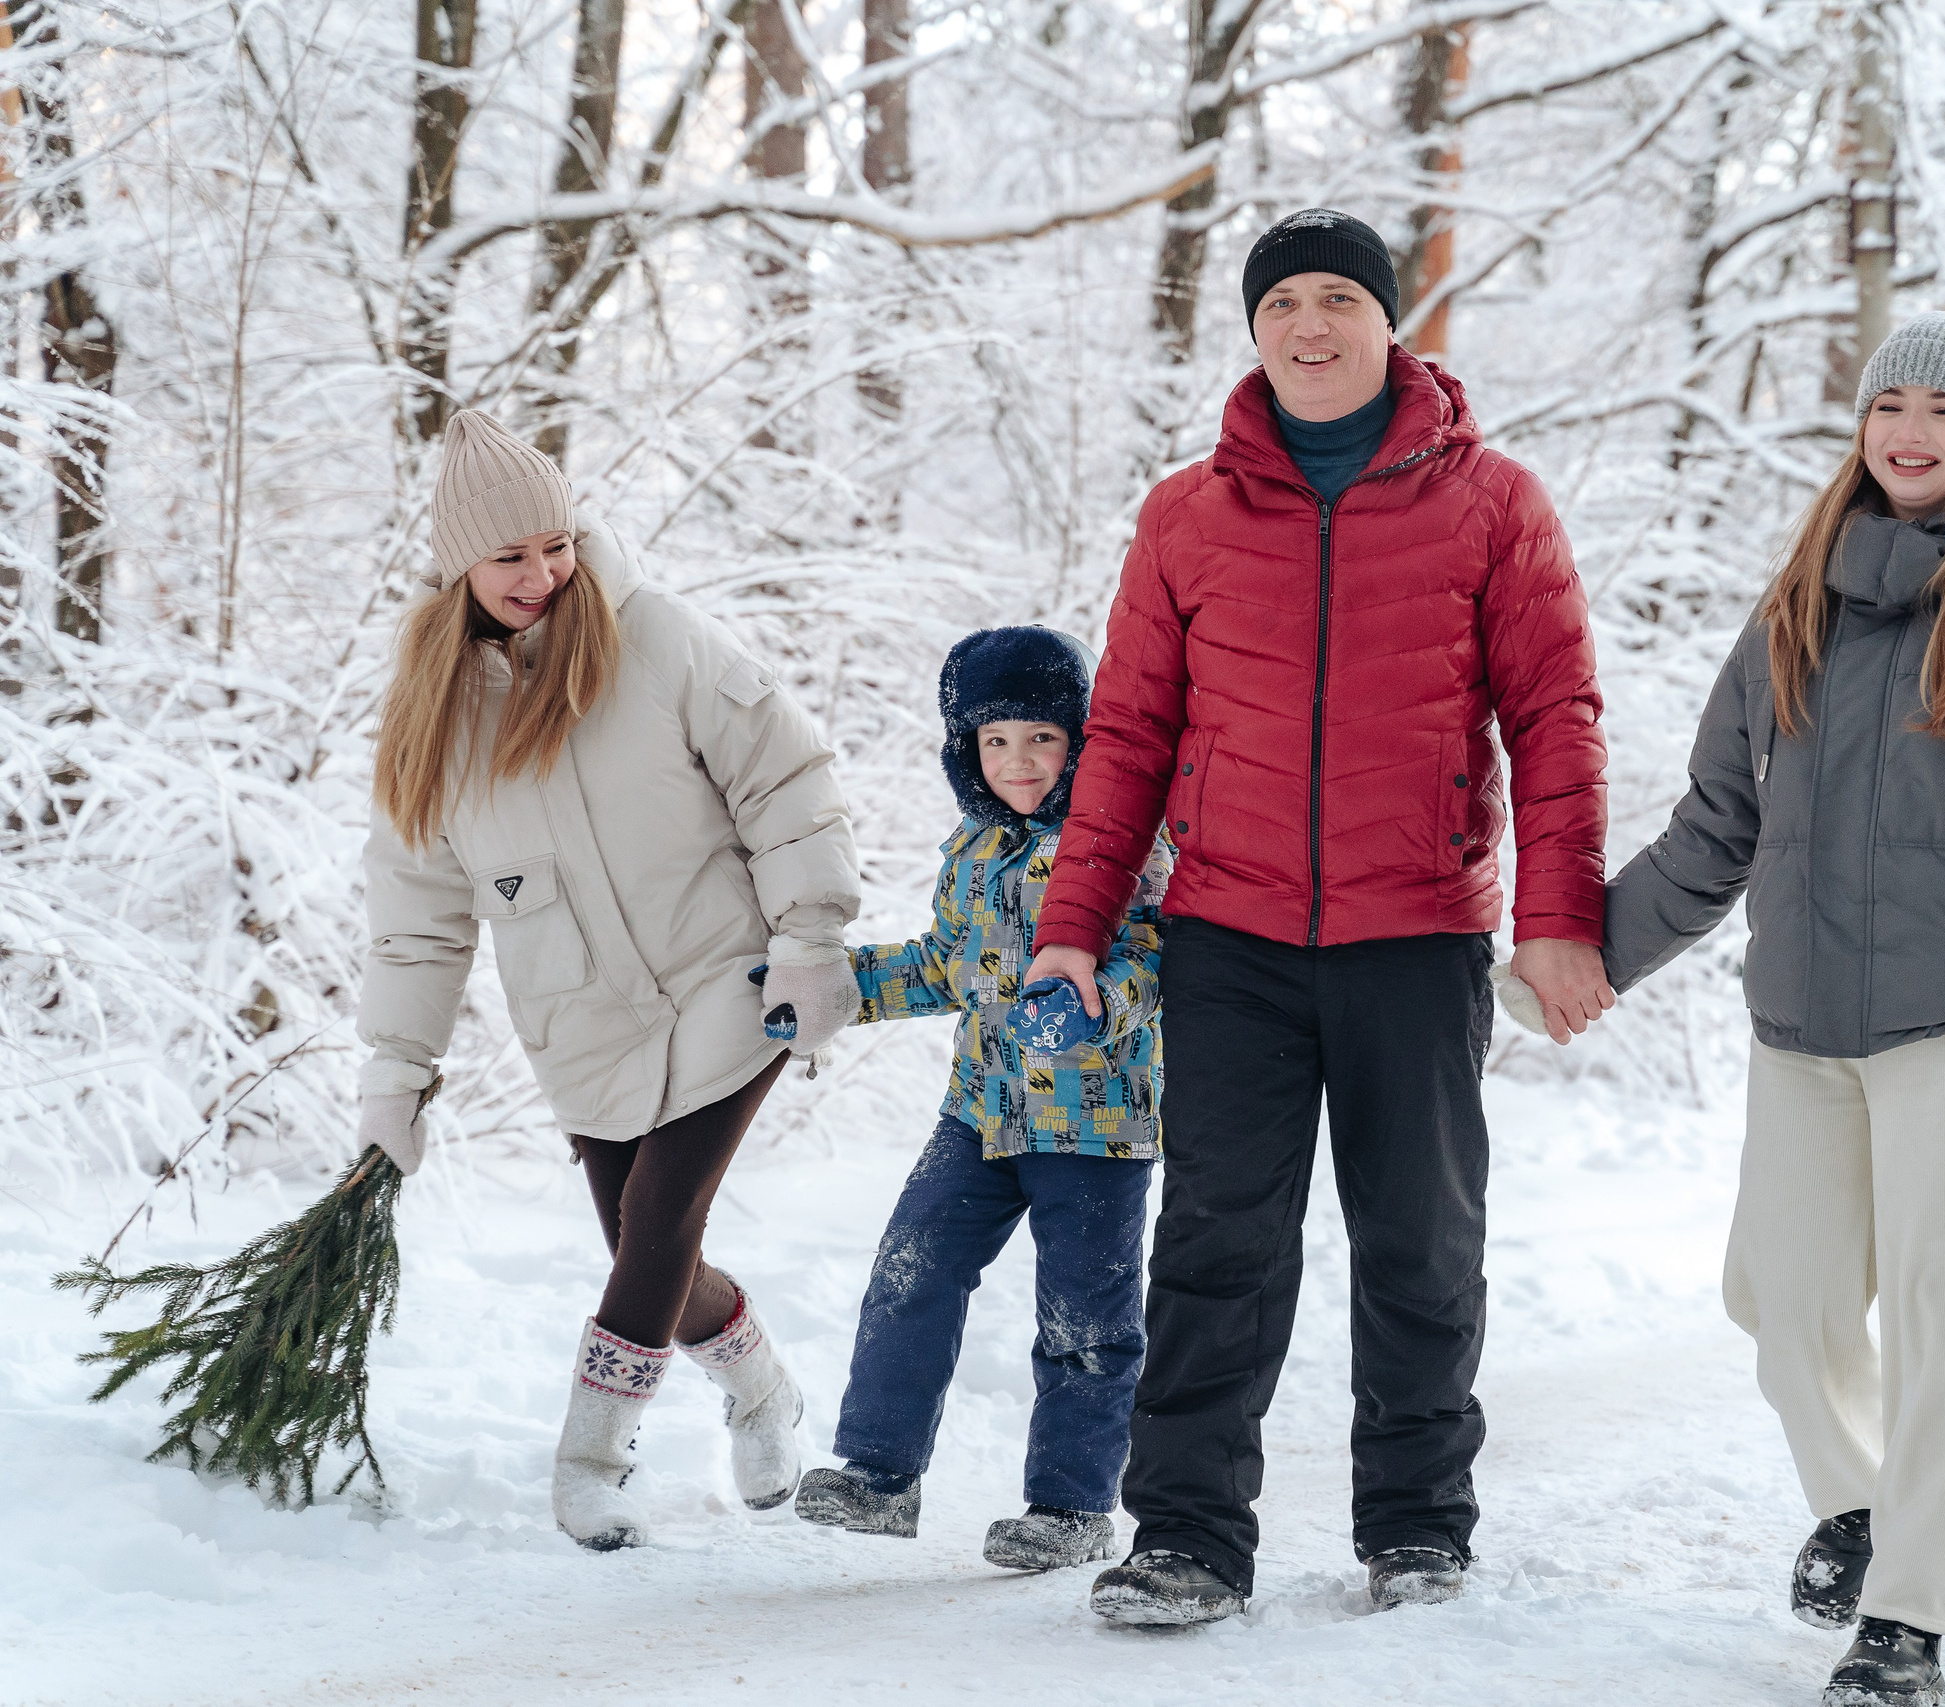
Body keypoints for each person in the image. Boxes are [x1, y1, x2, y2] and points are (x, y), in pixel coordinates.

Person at [1022, 208, 1614, 1625]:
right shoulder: (1187, 513)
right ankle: (1187, 1536)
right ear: (1254, 326)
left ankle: (1417, 1523)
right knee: (1220, 1237)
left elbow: (1556, 718)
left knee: (1420, 1235)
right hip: (1230, 934)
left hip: (1415, 933)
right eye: (1283, 299)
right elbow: (1131, 736)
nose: (1311, 324)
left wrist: (1559, 915)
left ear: (1389, 320)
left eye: (1340, 296)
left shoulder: (1494, 502)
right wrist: (1073, 921)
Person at [1600, 311, 1945, 1706]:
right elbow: (1712, 832)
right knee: (1783, 1300)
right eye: (1888, 402)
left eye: (1942, 411)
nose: (1909, 428)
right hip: (1801, 1026)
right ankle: (1859, 1502)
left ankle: (1909, 1615)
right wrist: (1577, 956)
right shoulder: (1795, 611)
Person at [357, 411, 863, 1551]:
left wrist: (810, 934)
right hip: (582, 1020)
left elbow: (785, 780)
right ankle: (761, 1389)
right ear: (458, 572)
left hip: (727, 979)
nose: (543, 575)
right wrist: (397, 1065)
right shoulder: (433, 726)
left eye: (556, 543)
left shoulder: (657, 639)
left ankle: (589, 1456)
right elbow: (418, 920)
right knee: (648, 1254)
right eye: (510, 558)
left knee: (656, 1217)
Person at [791, 627, 1173, 1573]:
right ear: (966, 750)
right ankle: (879, 1474)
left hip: (1094, 1123)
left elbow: (1159, 961)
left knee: (1084, 1321)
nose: (1018, 763)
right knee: (910, 1268)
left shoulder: (1124, 841)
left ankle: (1072, 1505)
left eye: (1041, 738)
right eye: (994, 741)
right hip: (980, 1111)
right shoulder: (973, 848)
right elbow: (943, 964)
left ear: (1082, 739)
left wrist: (1094, 1007)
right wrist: (839, 988)